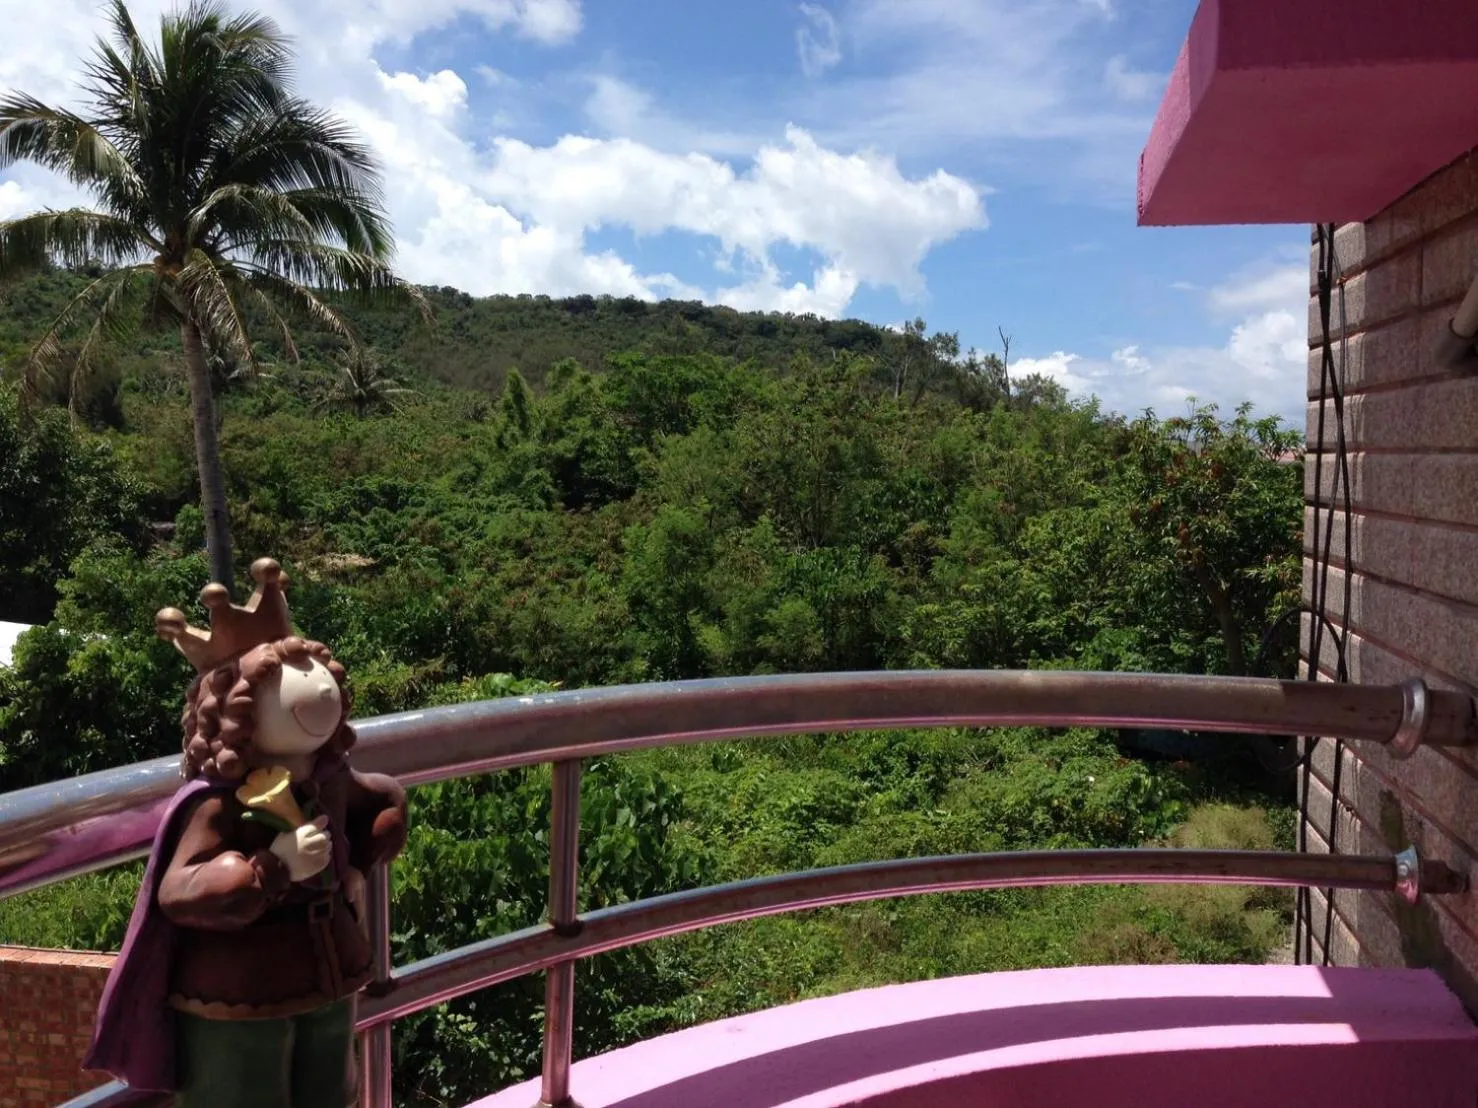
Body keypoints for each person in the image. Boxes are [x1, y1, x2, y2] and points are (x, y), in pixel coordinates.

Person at [86, 558, 408, 1107]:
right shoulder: (216, 801)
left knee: (333, 1092)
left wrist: (354, 866)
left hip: (328, 970)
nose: (315, 691)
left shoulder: (329, 778)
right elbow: (180, 890)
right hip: (238, 988)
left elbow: (384, 804)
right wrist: (273, 865)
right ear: (232, 706)